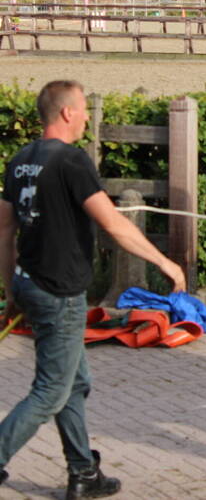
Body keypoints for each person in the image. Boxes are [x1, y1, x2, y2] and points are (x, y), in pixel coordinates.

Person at [0, 80, 186, 498]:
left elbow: (4, 230)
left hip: (31, 283)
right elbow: (114, 223)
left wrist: (11, 288)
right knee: (50, 390)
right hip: (59, 292)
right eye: (82, 108)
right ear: (66, 113)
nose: (85, 116)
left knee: (74, 381)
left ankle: (83, 473)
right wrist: (163, 260)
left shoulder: (20, 159)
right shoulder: (72, 161)